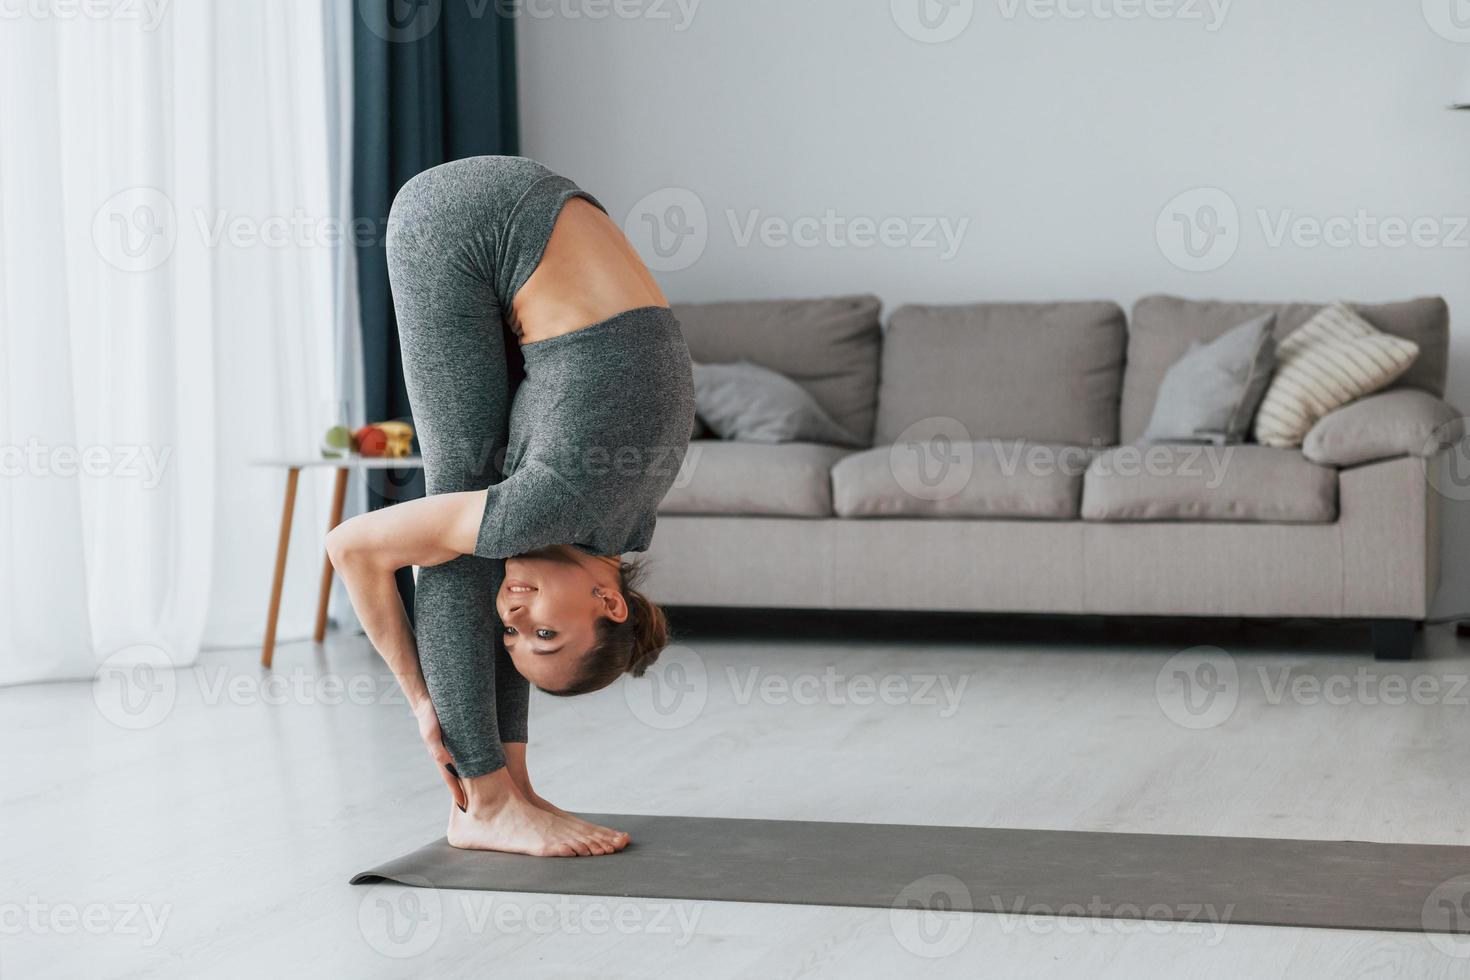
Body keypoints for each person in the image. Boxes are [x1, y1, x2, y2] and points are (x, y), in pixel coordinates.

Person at [326, 156, 695, 858]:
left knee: (478, 531)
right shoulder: (555, 504)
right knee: (463, 524)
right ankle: (484, 805)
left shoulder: (623, 520)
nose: (514, 618)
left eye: (513, 640)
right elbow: (352, 546)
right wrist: (422, 704)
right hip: (468, 221)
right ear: (610, 603)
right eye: (546, 635)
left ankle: (515, 791)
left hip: (534, 204)